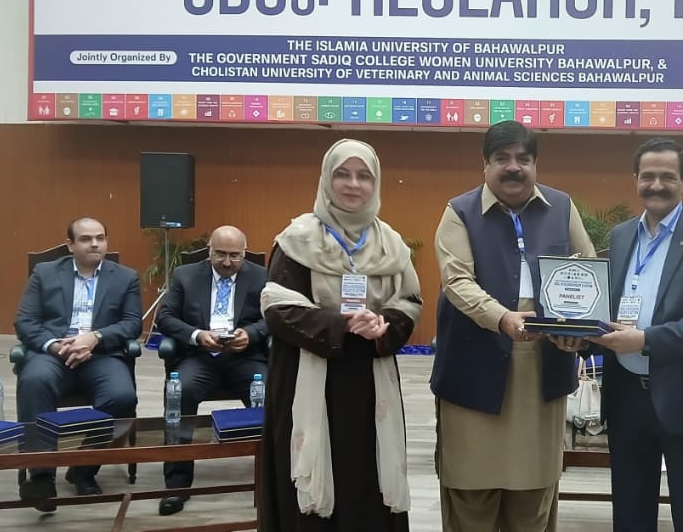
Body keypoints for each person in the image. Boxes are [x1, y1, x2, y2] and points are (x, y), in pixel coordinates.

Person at [430, 120, 595, 531]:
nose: (513, 167)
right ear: (485, 164)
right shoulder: (459, 212)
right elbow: (456, 281)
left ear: (536, 164)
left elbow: (589, 271)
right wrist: (500, 317)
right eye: (502, 158)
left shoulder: (562, 207)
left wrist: (578, 333)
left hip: (542, 370)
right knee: (471, 492)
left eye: (523, 158)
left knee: (532, 495)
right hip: (473, 369)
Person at [258, 139, 422, 531]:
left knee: (367, 475)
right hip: (306, 379)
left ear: (375, 183)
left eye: (364, 176)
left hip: (369, 382)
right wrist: (343, 323)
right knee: (309, 478)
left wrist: (383, 323)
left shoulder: (391, 244)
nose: (353, 184)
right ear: (326, 180)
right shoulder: (298, 238)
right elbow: (277, 308)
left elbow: (410, 302)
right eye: (343, 174)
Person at [589, 138, 683, 531]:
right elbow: (607, 306)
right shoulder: (621, 235)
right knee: (630, 513)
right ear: (635, 179)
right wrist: (579, 333)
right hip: (625, 396)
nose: (656, 185)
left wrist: (646, 340)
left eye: (668, 177)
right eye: (648, 176)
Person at [14, 217, 141, 507]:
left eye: (100, 238)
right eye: (85, 239)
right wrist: (54, 345)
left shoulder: (126, 277)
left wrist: (95, 337)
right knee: (34, 381)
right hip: (53, 354)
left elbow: (132, 324)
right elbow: (25, 322)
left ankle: (83, 468)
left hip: (101, 355)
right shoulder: (44, 273)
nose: (94, 244)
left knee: (122, 396)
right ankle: (42, 477)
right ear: (70, 245)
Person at [155, 225, 270, 515]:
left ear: (244, 253)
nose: (227, 262)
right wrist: (197, 335)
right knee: (180, 393)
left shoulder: (261, 276)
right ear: (209, 251)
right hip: (200, 357)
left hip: (244, 358)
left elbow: (274, 316)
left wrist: (251, 334)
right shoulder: (186, 275)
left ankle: (271, 479)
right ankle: (177, 485)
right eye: (220, 254)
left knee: (273, 397)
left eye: (235, 256)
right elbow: (165, 317)